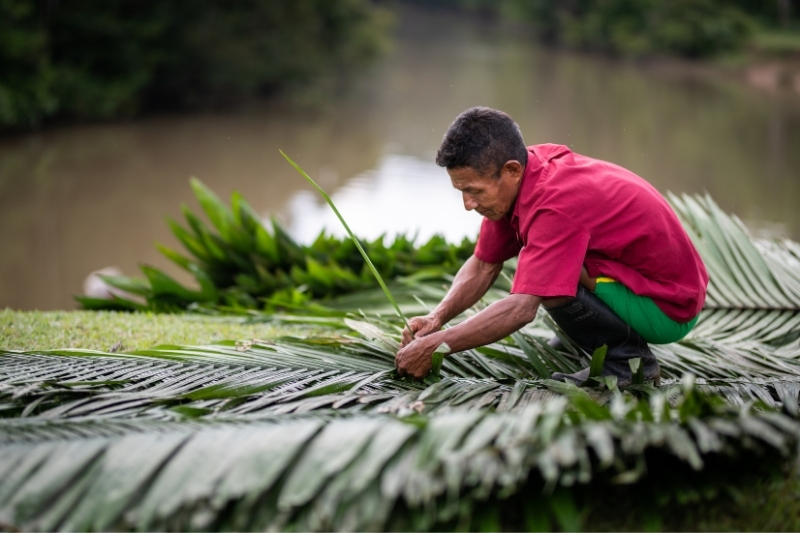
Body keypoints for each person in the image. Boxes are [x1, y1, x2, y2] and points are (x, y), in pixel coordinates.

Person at [394, 107, 709, 386]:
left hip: (669, 307)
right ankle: (583, 338)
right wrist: (436, 318)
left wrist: (436, 346)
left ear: (512, 171)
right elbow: (483, 265)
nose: (467, 204)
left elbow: (521, 308)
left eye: (473, 191)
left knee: (548, 282)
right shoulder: (519, 177)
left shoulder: (553, 203)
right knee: (548, 266)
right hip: (637, 280)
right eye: (461, 191)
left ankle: (626, 363)